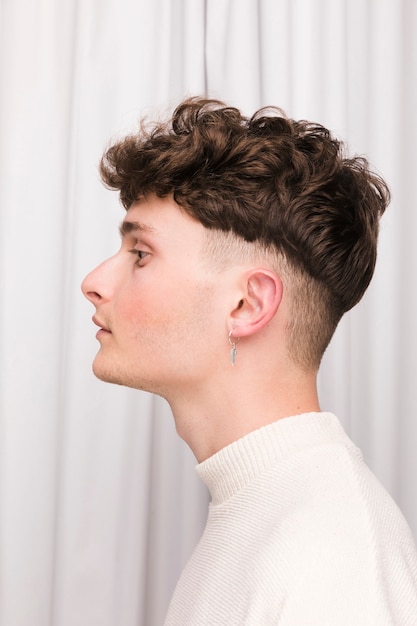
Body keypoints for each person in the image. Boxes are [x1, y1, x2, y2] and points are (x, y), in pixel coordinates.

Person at [82, 97, 417, 625]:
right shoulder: (258, 510)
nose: (94, 283)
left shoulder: (334, 563)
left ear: (247, 305)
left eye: (140, 254)